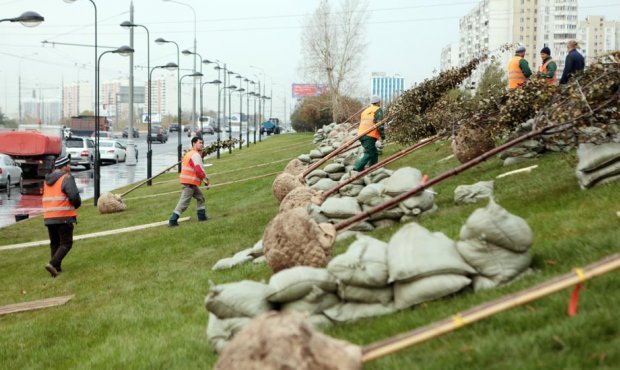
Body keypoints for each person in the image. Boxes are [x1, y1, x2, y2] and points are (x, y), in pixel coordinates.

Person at [43, 155, 81, 277]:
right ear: (64, 167)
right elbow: (74, 196)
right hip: (63, 216)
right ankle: (53, 264)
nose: (70, 167)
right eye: (68, 164)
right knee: (66, 243)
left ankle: (56, 270)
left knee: (55, 243)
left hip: (49, 216)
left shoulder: (47, 180)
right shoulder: (66, 178)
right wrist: (76, 204)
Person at [169, 136, 209, 226]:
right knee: (183, 203)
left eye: (202, 143)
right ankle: (173, 220)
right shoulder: (195, 155)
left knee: (200, 198)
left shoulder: (189, 153)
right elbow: (198, 170)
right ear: (194, 143)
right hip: (189, 183)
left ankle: (202, 217)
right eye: (200, 143)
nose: (202, 144)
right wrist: (206, 180)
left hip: (190, 183)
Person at [353, 95, 385, 172]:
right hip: (369, 135)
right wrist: (383, 136)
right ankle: (357, 168)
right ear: (378, 102)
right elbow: (379, 124)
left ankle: (373, 168)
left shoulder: (365, 111)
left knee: (374, 152)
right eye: (380, 102)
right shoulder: (378, 110)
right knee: (369, 153)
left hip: (361, 134)